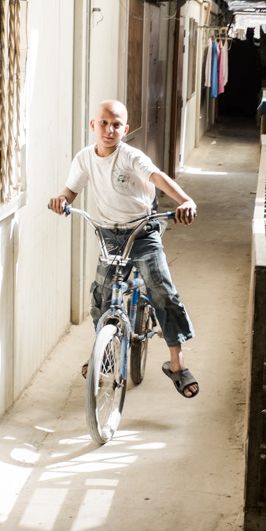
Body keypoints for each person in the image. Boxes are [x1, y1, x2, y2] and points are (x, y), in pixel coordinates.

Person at [49, 99, 199, 398]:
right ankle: (104, 352)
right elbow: (71, 190)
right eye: (104, 123)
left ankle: (177, 363)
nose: (109, 130)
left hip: (141, 232)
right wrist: (61, 200)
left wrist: (185, 200)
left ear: (125, 129)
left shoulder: (130, 156)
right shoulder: (84, 158)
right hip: (109, 236)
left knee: (162, 293)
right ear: (93, 125)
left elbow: (157, 176)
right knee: (102, 296)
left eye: (116, 125)